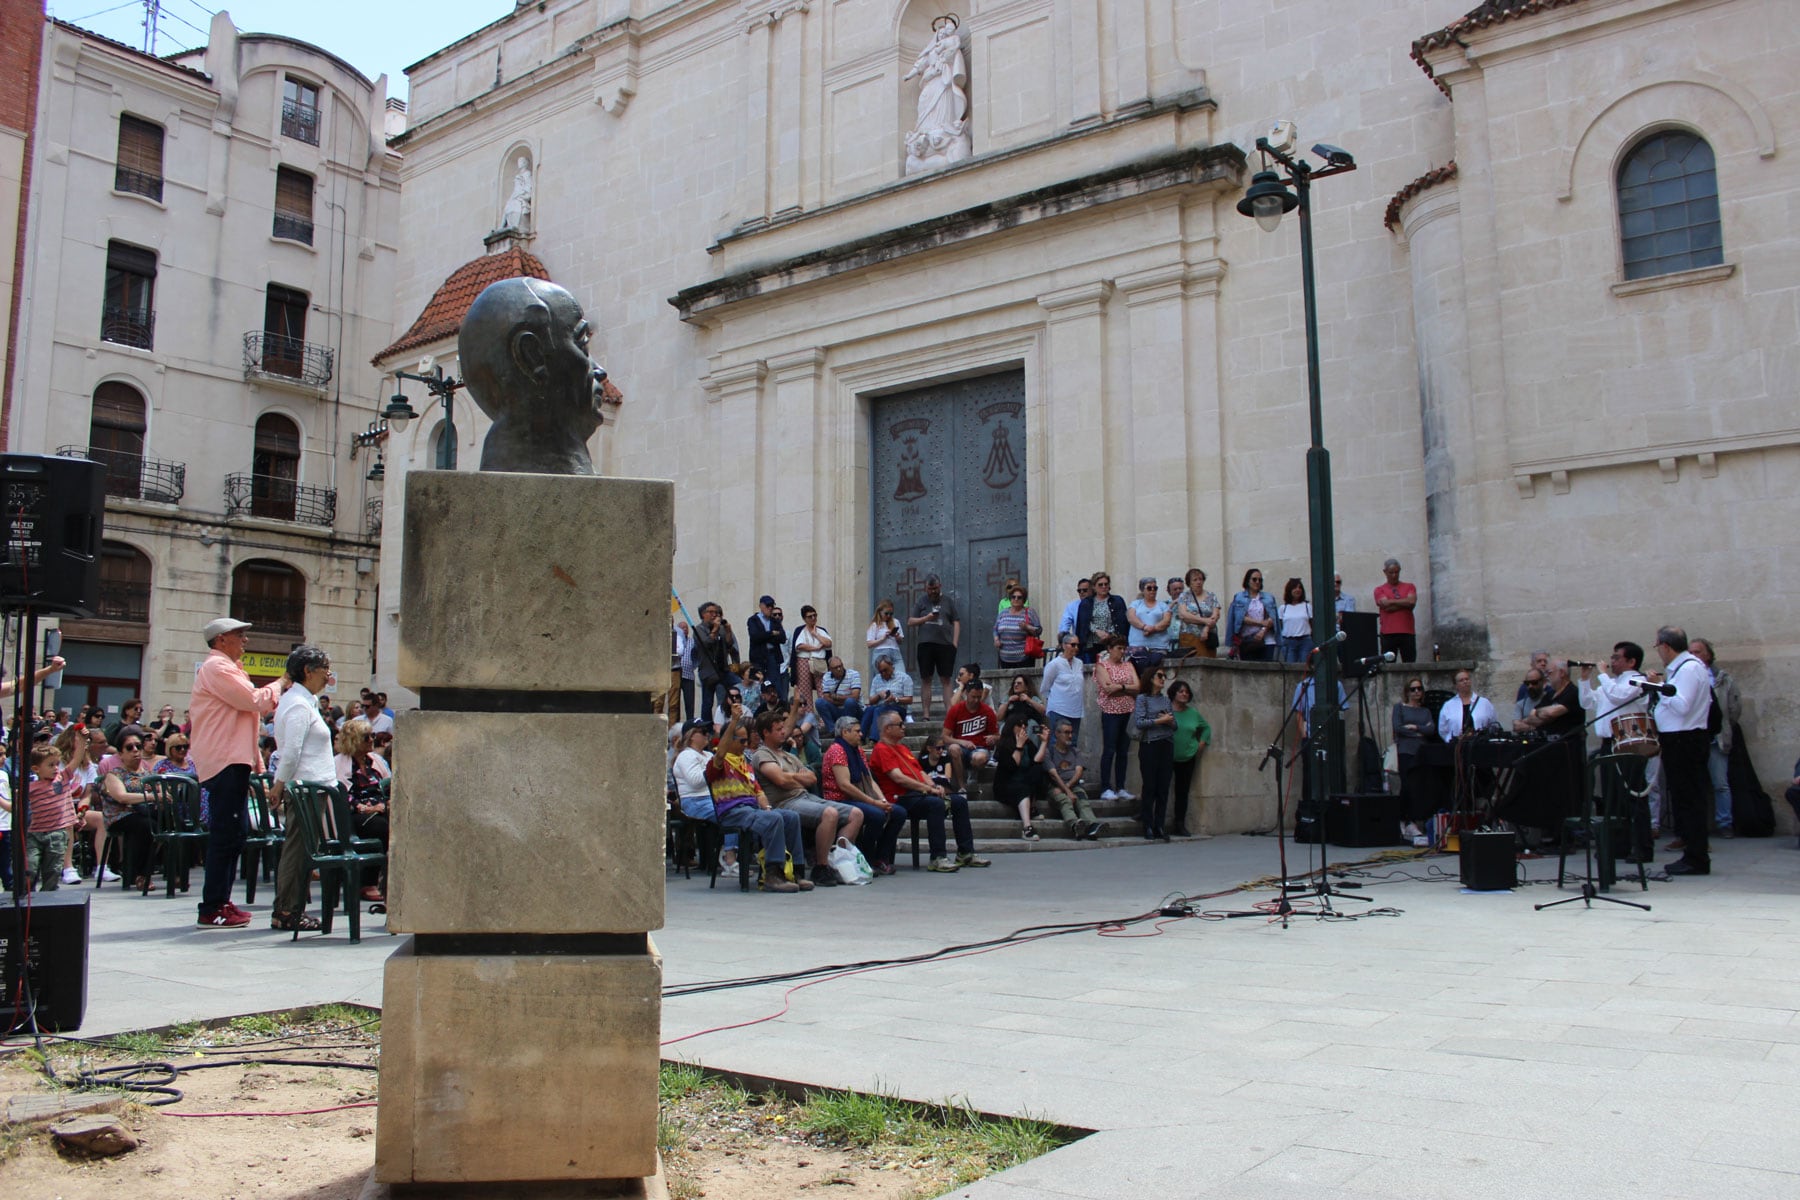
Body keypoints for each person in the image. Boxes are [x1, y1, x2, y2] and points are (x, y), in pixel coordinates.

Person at [189, 616, 290, 929]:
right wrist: (281, 681)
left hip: (232, 761)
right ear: (222, 640)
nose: (245, 641)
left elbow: (245, 722)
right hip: (224, 762)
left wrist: (257, 766)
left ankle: (220, 901)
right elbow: (254, 702)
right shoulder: (216, 668)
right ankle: (212, 907)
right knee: (225, 835)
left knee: (234, 834)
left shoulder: (228, 669)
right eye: (240, 635)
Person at [267, 645, 336, 933]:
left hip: (313, 788)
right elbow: (291, 751)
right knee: (298, 850)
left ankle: (292, 908)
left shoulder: (304, 701)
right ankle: (287, 910)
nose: (328, 675)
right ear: (307, 671)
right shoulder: (297, 704)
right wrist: (279, 785)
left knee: (304, 850)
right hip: (305, 789)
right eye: (324, 670)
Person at [866, 709, 988, 872]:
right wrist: (927, 789)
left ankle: (965, 852)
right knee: (935, 804)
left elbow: (921, 773)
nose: (904, 727)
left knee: (959, 802)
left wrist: (934, 786)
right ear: (888, 728)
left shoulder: (903, 749)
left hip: (917, 794)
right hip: (901, 797)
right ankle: (937, 857)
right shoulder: (881, 749)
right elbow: (898, 778)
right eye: (900, 724)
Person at [705, 708, 812, 893]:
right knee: (774, 820)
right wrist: (733, 722)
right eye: (742, 741)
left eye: (747, 740)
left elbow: (759, 792)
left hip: (752, 809)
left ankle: (797, 871)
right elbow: (721, 752)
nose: (746, 744)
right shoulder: (717, 763)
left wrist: (768, 808)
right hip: (732, 812)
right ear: (729, 741)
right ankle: (773, 874)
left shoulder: (745, 764)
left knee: (790, 817)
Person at [752, 709, 862, 888]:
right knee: (830, 813)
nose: (783, 732)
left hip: (806, 796)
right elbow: (779, 780)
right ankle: (821, 866)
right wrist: (797, 777)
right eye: (779, 729)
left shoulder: (787, 755)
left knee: (856, 814)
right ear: (766, 732)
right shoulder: (762, 755)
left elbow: (812, 778)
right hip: (785, 802)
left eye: (783, 728)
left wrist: (791, 778)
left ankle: (837, 862)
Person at [1578, 643, 1653, 863]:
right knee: (1613, 797)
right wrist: (1584, 679)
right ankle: (1620, 844)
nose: (1612, 662)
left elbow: (1618, 696)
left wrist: (1602, 674)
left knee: (1633, 795)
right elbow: (1588, 702)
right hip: (1608, 743)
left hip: (1628, 742)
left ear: (1631, 661)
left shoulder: (1637, 680)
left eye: (1617, 658)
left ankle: (1642, 847)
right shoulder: (1611, 684)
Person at [1652, 626, 1713, 876]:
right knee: (1684, 799)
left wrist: (1660, 687)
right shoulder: (1682, 668)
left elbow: (1682, 705)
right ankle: (1691, 853)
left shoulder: (1688, 668)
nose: (1658, 652)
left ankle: (1696, 857)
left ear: (1666, 646)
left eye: (1658, 647)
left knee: (1690, 800)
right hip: (1677, 740)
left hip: (1685, 740)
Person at [1505, 658, 1583, 842]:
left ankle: (1564, 838)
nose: (1548, 677)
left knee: (1563, 796)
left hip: (1567, 753)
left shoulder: (1571, 693)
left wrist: (1541, 714)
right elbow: (1534, 716)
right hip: (1550, 753)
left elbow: (1548, 714)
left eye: (1550, 673)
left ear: (1562, 673)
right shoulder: (1552, 696)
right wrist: (1540, 715)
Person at [820, 716, 906, 875]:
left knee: (898, 813)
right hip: (840, 800)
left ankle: (881, 857)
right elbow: (844, 785)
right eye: (857, 731)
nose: (861, 734)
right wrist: (874, 803)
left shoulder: (858, 750)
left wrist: (882, 800)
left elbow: (869, 779)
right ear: (845, 732)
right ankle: (867, 857)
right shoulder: (837, 750)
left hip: (861, 796)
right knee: (877, 815)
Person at [335, 717, 392, 901]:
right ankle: (368, 882)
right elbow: (340, 793)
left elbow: (390, 785)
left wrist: (384, 804)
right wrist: (361, 807)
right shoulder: (340, 763)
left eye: (373, 735)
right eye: (367, 736)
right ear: (354, 740)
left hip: (379, 809)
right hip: (353, 815)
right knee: (380, 827)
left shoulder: (375, 761)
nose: (372, 740)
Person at [1690, 638, 1739, 838]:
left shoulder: (1722, 678)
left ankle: (1724, 822)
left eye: (1698, 652)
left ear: (1708, 655)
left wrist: (1724, 727)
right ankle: (1694, 827)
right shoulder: (1684, 676)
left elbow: (1734, 708)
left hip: (1715, 737)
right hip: (1693, 736)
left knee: (1720, 784)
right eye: (1690, 652)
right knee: (1693, 784)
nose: (1694, 656)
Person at [22, 742, 76, 892]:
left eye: (57, 764)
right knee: (30, 867)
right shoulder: (31, 787)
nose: (56, 768)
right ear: (36, 769)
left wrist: (81, 740)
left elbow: (76, 760)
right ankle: (27, 897)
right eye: (51, 765)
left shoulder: (62, 779)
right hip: (35, 833)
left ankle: (48, 900)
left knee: (53, 871)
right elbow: (14, 806)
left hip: (57, 833)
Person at [1392, 677, 1439, 845]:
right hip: (1406, 750)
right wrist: (1418, 733)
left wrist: (1415, 728)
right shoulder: (1400, 708)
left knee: (1420, 785)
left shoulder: (1425, 711)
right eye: (1413, 689)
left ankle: (1414, 819)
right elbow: (1397, 728)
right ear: (1407, 692)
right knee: (1407, 784)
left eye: (1419, 689)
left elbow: (1431, 729)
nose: (1417, 692)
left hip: (1421, 752)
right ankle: (1404, 819)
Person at [907, 574, 960, 720]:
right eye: (930, 589)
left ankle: (949, 713)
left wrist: (954, 643)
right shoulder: (921, 601)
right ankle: (926, 714)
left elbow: (956, 621)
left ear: (940, 586)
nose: (933, 592)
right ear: (926, 588)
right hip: (925, 645)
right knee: (926, 679)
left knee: (946, 679)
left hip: (945, 645)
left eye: (935, 588)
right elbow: (910, 621)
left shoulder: (948, 601)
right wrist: (927, 618)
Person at [1133, 665, 1176, 841]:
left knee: (1163, 787)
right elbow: (1140, 722)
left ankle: (1159, 824)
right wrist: (1161, 720)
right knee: (1150, 786)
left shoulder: (1166, 701)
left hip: (1166, 743)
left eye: (1164, 676)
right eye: (1159, 675)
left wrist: (1168, 721)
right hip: (1150, 744)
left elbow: (1174, 725)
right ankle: (1147, 824)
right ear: (1151, 678)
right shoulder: (1142, 699)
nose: (1162, 679)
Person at [1093, 636, 1138, 801]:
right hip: (1110, 711)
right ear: (1110, 649)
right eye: (1119, 648)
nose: (1122, 651)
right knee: (1109, 749)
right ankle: (1105, 787)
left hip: (1127, 710)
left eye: (1124, 648)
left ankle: (1121, 787)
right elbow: (1106, 688)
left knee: (1123, 751)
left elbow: (1138, 686)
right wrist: (1127, 688)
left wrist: (1120, 687)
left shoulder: (1128, 665)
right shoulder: (1102, 666)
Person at [990, 711, 1047, 841]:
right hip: (1006, 784)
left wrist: (1044, 742)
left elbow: (1037, 761)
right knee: (1022, 788)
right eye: (1019, 726)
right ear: (1012, 727)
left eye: (1025, 726)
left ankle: (1031, 807)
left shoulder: (1028, 744)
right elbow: (1011, 766)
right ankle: (1027, 827)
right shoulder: (1004, 745)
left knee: (1038, 771)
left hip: (1023, 781)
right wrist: (1019, 746)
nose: (1023, 729)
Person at [1045, 719, 1104, 840]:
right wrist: (1067, 791)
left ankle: (1091, 825)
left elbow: (1079, 771)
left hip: (1073, 785)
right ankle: (1074, 824)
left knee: (1082, 800)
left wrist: (1068, 788)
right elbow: (1054, 775)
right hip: (1056, 786)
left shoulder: (1075, 751)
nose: (1070, 736)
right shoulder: (1049, 752)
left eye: (1071, 733)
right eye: (1066, 733)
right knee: (1064, 800)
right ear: (1057, 734)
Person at [1167, 679, 1211, 838]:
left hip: (1187, 757)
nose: (1184, 694)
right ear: (1173, 693)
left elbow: (1206, 728)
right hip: (1167, 755)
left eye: (1186, 692)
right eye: (1181, 691)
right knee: (1160, 788)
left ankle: (1180, 823)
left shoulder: (1193, 713)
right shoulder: (1166, 710)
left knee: (1182, 791)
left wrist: (1202, 744)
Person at [940, 680, 997, 791]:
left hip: (979, 748)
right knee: (953, 748)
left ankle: (973, 774)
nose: (976, 700)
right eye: (973, 696)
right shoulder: (956, 710)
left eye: (979, 697)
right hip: (960, 746)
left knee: (980, 757)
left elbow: (997, 735)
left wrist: (994, 738)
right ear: (966, 693)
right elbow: (945, 737)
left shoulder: (987, 711)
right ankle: (962, 786)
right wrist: (962, 742)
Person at [693, 602, 739, 721]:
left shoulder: (721, 629)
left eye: (717, 612)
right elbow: (707, 643)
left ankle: (721, 722)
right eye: (711, 612)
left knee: (738, 685)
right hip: (708, 672)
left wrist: (728, 631)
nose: (715, 615)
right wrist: (715, 629)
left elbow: (729, 644)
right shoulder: (699, 629)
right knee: (707, 703)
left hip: (723, 670)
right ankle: (707, 727)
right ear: (703, 614)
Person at [1074, 573, 1128, 664]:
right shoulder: (1086, 603)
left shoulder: (1117, 601)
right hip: (1092, 643)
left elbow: (1121, 621)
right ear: (1094, 587)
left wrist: (1109, 634)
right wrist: (1097, 631)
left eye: (1106, 584)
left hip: (1112, 642)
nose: (1104, 587)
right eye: (1100, 584)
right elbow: (1084, 622)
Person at [1041, 634, 1086, 744]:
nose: (1076, 648)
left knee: (1072, 742)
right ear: (1064, 645)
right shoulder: (1054, 665)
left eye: (1077, 645)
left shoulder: (1079, 663)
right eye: (1073, 645)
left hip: (1076, 710)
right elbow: (1045, 687)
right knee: (1057, 742)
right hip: (1059, 709)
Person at [1373, 558, 1419, 663]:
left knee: (1410, 663)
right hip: (1388, 632)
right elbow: (1385, 606)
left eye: (1396, 572)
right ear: (1385, 572)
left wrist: (1391, 602)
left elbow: (1411, 602)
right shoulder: (1379, 589)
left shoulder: (1409, 586)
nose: (1394, 575)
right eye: (1391, 572)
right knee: (1388, 665)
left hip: (1407, 631)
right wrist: (1404, 603)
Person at [860, 656, 916, 740]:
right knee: (869, 709)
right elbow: (871, 700)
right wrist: (879, 695)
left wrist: (895, 699)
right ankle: (860, 738)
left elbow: (909, 699)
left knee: (878, 710)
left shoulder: (904, 678)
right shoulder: (876, 679)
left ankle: (874, 740)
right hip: (880, 706)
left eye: (885, 670)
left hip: (898, 708)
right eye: (881, 671)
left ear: (891, 665)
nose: (883, 673)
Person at [789, 606, 832, 714]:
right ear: (804, 618)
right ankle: (808, 716)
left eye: (814, 615)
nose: (813, 618)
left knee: (822, 689)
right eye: (810, 616)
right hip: (803, 660)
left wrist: (815, 634)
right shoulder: (800, 630)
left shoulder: (821, 631)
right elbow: (799, 646)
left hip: (819, 661)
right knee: (804, 690)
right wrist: (815, 647)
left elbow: (828, 643)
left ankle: (824, 719)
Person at [746, 595, 788, 704]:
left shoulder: (775, 621)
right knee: (758, 685)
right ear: (761, 606)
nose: (770, 608)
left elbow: (783, 638)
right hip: (758, 658)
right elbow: (755, 637)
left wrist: (767, 636)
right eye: (768, 606)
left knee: (775, 685)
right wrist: (771, 634)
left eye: (772, 606)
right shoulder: (753, 620)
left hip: (773, 656)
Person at [1227, 569, 1276, 661]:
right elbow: (1240, 618)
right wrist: (1261, 623)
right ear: (1247, 580)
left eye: (1260, 580)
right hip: (1246, 640)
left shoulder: (1268, 597)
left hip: (1266, 640)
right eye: (1254, 579)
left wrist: (1263, 631)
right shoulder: (1239, 597)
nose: (1257, 582)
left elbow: (1272, 617)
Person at [1173, 568, 1221, 658]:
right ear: (1189, 583)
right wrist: (1204, 620)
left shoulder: (1211, 596)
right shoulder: (1184, 596)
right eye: (1195, 580)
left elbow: (1216, 615)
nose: (1198, 582)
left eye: (1200, 579)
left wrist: (1206, 629)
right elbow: (1184, 615)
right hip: (1189, 636)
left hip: (1208, 638)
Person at [1126, 577, 1175, 662]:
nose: (1152, 590)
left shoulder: (1163, 605)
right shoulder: (1135, 604)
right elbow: (1131, 617)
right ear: (1142, 590)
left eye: (1155, 588)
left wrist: (1153, 629)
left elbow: (1166, 621)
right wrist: (1144, 627)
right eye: (1149, 588)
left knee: (1155, 663)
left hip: (1159, 646)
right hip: (1137, 646)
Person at [993, 585, 1042, 669]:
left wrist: (1027, 627)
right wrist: (996, 639)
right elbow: (995, 629)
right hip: (1005, 657)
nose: (1016, 599)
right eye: (1013, 597)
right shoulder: (1003, 613)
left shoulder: (1030, 612)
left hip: (1024, 658)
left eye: (1019, 597)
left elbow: (1039, 630)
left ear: (1023, 600)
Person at [813, 657, 863, 731]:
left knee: (849, 702)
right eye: (836, 668)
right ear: (830, 669)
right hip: (837, 708)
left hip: (853, 709)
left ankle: (847, 730)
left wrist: (838, 697)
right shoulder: (826, 677)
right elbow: (826, 697)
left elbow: (855, 697)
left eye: (840, 666)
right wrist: (841, 701)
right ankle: (832, 730)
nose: (839, 669)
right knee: (819, 702)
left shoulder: (853, 674)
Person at [1276, 578, 1313, 664]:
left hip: (1305, 641)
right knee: (1290, 666)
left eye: (1300, 588)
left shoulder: (1307, 606)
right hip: (1289, 641)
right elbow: (1279, 626)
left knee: (1304, 666)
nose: (1298, 590)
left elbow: (1312, 623)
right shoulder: (1283, 608)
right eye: (1295, 588)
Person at [865, 600, 904, 676]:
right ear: (880, 612)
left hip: (895, 652)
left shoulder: (896, 622)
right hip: (881, 652)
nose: (888, 616)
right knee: (884, 678)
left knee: (901, 676)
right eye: (886, 613)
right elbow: (869, 644)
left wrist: (896, 636)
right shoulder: (875, 625)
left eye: (891, 614)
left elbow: (901, 641)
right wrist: (882, 638)